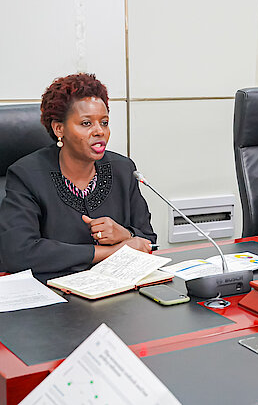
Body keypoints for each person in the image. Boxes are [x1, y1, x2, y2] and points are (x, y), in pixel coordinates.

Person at [0, 73, 156, 274]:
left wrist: (126, 235)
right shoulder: (27, 175)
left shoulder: (122, 169)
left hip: (118, 286)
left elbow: (148, 241)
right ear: (59, 129)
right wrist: (110, 252)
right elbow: (18, 254)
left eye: (104, 122)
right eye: (86, 123)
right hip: (54, 289)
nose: (100, 131)